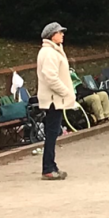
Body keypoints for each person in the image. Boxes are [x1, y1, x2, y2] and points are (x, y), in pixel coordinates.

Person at [37, 22, 75, 181]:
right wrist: (65, 91)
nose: (63, 34)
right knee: (52, 134)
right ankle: (48, 168)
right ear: (52, 35)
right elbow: (50, 77)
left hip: (55, 99)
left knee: (53, 133)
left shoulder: (54, 51)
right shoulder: (49, 53)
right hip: (53, 100)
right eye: (60, 32)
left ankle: (51, 166)